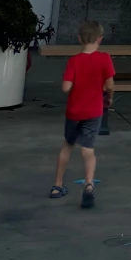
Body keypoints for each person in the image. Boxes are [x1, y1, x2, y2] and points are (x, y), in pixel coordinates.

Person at [50, 20, 115, 209]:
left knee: (67, 145)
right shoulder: (105, 58)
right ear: (100, 39)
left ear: (79, 39)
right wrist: (108, 98)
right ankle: (88, 184)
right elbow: (109, 85)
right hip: (94, 111)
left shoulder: (74, 61)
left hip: (74, 112)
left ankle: (57, 186)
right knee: (88, 150)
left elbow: (65, 87)